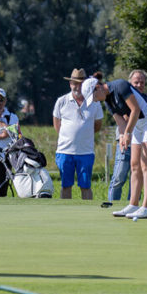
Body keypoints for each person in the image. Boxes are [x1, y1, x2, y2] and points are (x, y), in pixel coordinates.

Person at [82, 72, 147, 219]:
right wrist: (122, 137)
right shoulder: (107, 100)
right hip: (138, 125)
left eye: (94, 97)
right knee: (134, 165)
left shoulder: (120, 85)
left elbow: (135, 109)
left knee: (146, 165)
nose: (95, 100)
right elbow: (120, 121)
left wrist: (127, 133)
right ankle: (133, 204)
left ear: (98, 87)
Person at [53, 68, 103, 199]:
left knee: (86, 186)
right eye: (74, 83)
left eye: (81, 83)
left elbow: (97, 125)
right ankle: (65, 215)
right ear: (70, 84)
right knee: (65, 186)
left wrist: (82, 134)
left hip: (85, 152)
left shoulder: (95, 102)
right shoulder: (61, 101)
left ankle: (88, 215)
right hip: (64, 151)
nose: (78, 86)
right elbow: (57, 125)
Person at [108, 69, 147, 202]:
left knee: (137, 176)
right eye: (136, 82)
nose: (139, 85)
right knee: (119, 177)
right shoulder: (122, 96)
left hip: (142, 142)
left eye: (142, 82)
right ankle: (112, 204)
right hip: (125, 141)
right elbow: (123, 119)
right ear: (130, 83)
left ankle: (133, 204)